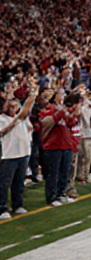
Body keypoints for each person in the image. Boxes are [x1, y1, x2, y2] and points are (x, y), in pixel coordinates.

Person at [0, 88, 37, 219]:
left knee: (19, 182)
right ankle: (2, 208)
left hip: (23, 153)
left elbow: (29, 127)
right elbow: (2, 132)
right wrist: (16, 120)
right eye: (10, 104)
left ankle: (17, 204)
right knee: (4, 183)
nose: (13, 106)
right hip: (9, 154)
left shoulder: (23, 118)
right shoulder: (2, 119)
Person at [39, 90, 81, 207]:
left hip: (66, 144)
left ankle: (62, 193)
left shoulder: (66, 110)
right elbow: (46, 122)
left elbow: (71, 124)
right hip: (53, 145)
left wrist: (75, 112)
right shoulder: (48, 109)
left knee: (65, 172)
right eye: (60, 95)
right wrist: (61, 112)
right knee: (53, 173)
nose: (62, 97)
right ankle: (52, 197)